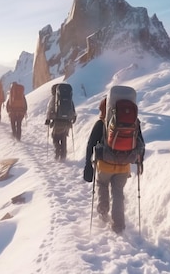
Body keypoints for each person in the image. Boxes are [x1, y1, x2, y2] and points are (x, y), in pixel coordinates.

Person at [84, 98, 144, 234]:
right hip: (124, 166)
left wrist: (88, 164)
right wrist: (141, 162)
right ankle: (118, 225)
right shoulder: (133, 123)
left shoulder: (101, 123)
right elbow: (141, 143)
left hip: (105, 165)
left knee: (102, 185)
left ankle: (103, 212)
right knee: (118, 192)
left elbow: (91, 144)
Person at [45, 83, 76, 161]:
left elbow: (50, 110)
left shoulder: (54, 99)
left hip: (57, 122)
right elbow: (73, 109)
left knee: (54, 137)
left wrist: (48, 119)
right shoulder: (69, 98)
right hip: (67, 122)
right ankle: (63, 156)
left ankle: (57, 150)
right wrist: (73, 118)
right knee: (63, 137)